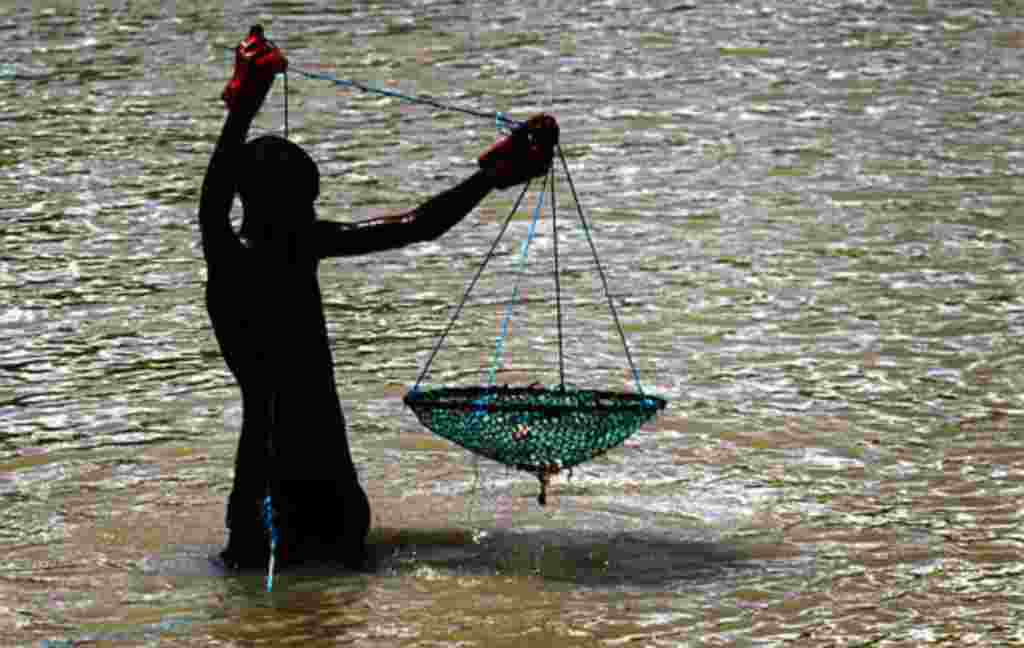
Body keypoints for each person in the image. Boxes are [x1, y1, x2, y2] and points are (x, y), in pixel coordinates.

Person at [198, 26, 558, 569]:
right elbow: (215, 193)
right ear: (274, 206)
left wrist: (491, 175)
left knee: (290, 607)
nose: (312, 213)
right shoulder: (247, 255)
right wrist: (244, 106)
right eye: (303, 203)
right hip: (290, 481)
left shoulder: (282, 248)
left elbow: (419, 225)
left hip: (303, 479)